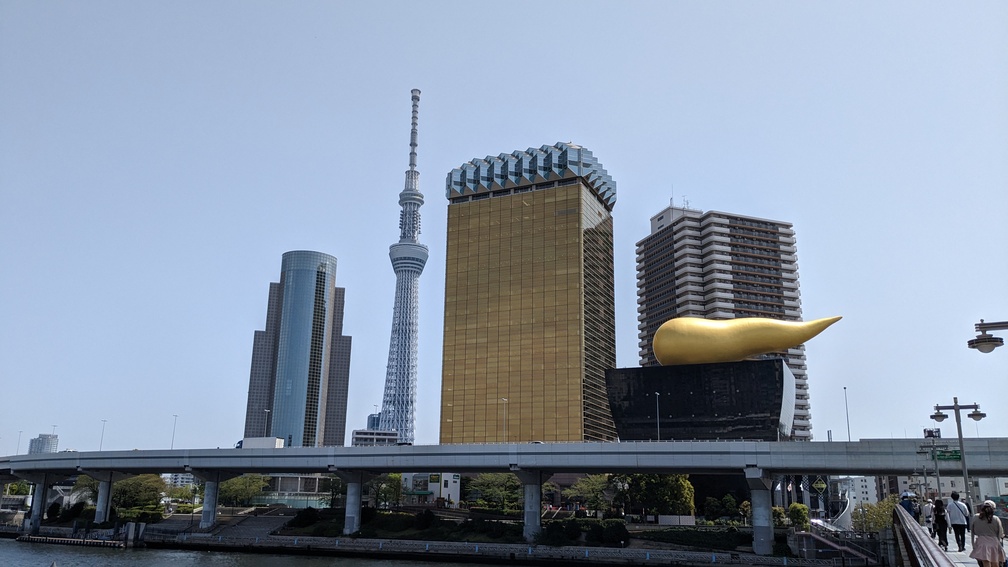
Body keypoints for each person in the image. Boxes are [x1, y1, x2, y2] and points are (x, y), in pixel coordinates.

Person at [968, 500, 1005, 567]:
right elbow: (1000, 533)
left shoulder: (976, 517)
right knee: (995, 563)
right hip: (994, 542)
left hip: (981, 542)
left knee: (985, 562)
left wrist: (973, 544)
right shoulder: (995, 519)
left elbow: (972, 530)